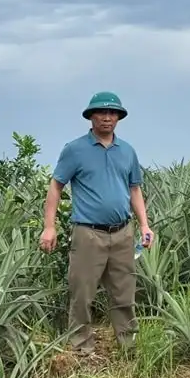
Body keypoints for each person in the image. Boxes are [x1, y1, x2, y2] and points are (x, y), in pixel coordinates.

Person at [40, 91, 153, 353]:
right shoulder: (75, 149)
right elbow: (56, 186)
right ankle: (81, 348)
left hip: (123, 233)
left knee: (124, 293)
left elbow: (135, 190)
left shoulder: (127, 151)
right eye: (101, 112)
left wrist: (145, 225)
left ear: (118, 118)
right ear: (91, 116)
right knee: (82, 294)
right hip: (88, 233)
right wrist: (49, 226)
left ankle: (129, 346)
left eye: (112, 113)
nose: (107, 118)